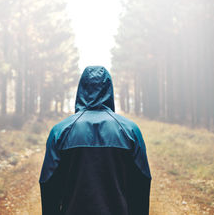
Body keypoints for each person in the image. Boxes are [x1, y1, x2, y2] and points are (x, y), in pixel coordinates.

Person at [39, 66, 151, 215]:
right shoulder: (130, 130)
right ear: (109, 89)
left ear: (81, 89)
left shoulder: (60, 131)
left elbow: (49, 183)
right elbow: (141, 182)